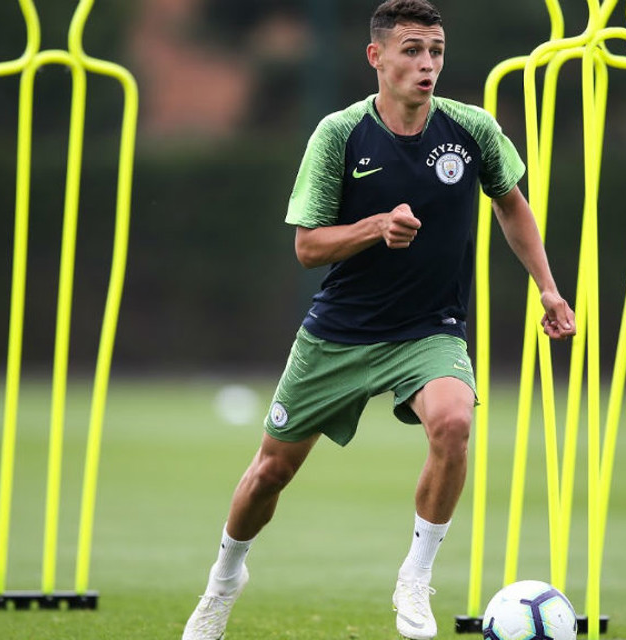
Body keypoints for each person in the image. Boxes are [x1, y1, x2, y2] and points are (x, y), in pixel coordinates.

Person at [181, 1, 576, 638]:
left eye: (436, 51)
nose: (427, 64)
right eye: (412, 50)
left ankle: (416, 577)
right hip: (340, 333)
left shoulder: (472, 128)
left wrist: (549, 290)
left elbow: (512, 205)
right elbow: (307, 247)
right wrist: (375, 227)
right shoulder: (339, 134)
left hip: (430, 328)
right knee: (271, 472)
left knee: (454, 422)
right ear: (377, 57)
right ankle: (224, 579)